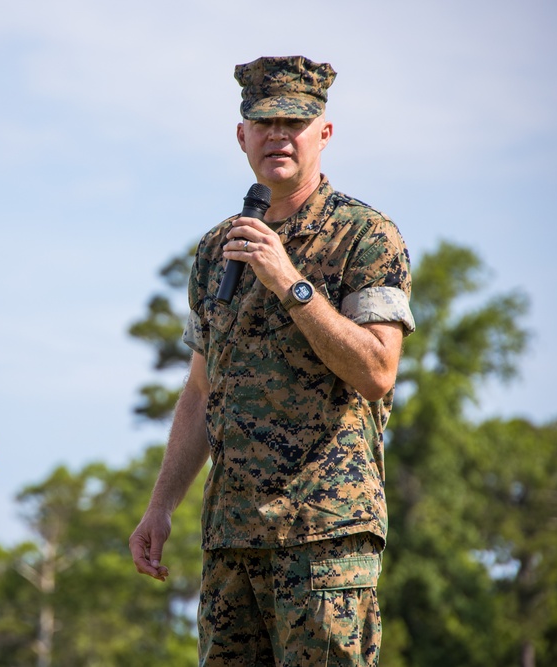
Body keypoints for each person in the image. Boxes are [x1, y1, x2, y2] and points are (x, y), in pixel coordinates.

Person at [128, 55, 416, 667]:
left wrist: (291, 281)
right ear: (242, 136)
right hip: (232, 539)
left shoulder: (367, 237)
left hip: (324, 535)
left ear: (324, 134)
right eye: (264, 123)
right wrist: (160, 505)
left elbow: (376, 371)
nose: (278, 136)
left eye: (295, 122)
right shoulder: (217, 250)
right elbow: (201, 392)